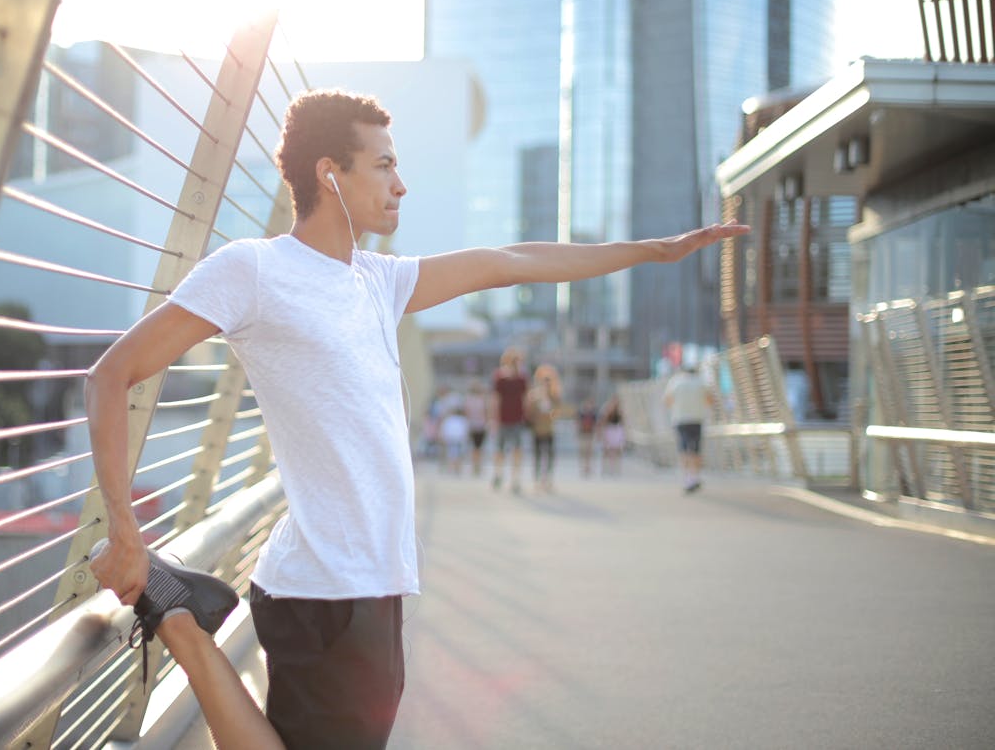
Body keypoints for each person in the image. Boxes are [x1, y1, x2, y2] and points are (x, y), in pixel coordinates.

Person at [86, 88, 748, 749]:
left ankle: (181, 620)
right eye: (383, 165)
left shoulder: (378, 280)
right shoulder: (255, 270)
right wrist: (123, 527)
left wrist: (652, 251)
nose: (401, 185)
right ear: (329, 173)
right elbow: (110, 374)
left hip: (376, 578)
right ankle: (180, 625)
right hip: (323, 585)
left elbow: (506, 261)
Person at [664, 365, 715, 493]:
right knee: (696, 449)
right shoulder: (701, 381)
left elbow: (667, 400)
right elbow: (710, 400)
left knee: (684, 448)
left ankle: (687, 477)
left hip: (680, 419)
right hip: (697, 419)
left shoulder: (676, 381)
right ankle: (695, 476)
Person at [491, 346, 529, 493]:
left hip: (517, 418)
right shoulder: (500, 377)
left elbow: (525, 399)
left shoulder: (522, 379)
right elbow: (496, 399)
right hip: (502, 419)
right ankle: (498, 474)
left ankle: (515, 479)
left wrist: (526, 416)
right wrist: (494, 418)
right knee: (499, 450)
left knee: (517, 450)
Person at [524, 364, 564, 492]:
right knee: (537, 455)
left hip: (549, 428)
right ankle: (537, 479)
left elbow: (558, 411)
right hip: (537, 429)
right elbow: (529, 411)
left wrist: (551, 414)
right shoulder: (534, 395)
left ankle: (548, 479)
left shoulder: (554, 395)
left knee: (550, 455)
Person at [462, 379, 491, 477]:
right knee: (477, 447)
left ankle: (477, 465)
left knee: (477, 447)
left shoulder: (475, 399)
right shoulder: (475, 399)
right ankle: (476, 465)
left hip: (477, 426)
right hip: (476, 426)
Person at [438, 406, 469, 474]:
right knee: (456, 455)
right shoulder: (461, 420)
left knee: (452, 455)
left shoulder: (450, 420)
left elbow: (445, 430)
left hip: (452, 439)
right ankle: (455, 469)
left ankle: (453, 469)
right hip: (457, 439)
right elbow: (465, 431)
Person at [599, 396, 625, 476]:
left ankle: (616, 469)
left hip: (617, 431)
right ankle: (605, 469)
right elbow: (603, 422)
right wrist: (602, 434)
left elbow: (623, 422)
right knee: (607, 451)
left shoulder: (620, 412)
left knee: (617, 451)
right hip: (609, 431)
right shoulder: (607, 411)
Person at [575, 397, 598, 478]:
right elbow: (577, 423)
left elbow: (595, 425)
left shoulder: (593, 413)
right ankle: (583, 467)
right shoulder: (581, 413)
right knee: (583, 452)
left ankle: (588, 467)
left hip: (590, 434)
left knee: (589, 452)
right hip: (583, 434)